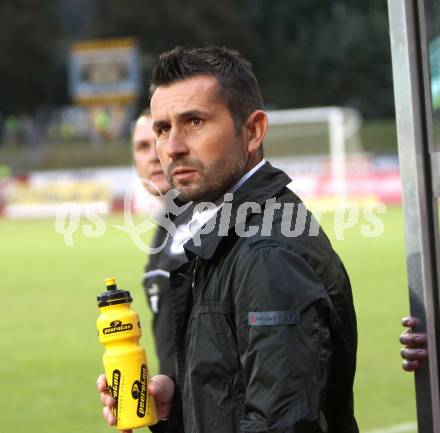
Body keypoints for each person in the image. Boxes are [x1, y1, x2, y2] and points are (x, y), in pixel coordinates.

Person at [98, 46, 358, 433]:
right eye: (163, 128)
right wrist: (180, 406)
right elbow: (243, 392)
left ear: (252, 131)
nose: (172, 148)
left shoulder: (268, 252)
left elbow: (281, 424)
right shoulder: (230, 231)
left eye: (195, 122)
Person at [132, 110, 191, 377]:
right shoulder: (168, 221)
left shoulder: (212, 217)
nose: (153, 155)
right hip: (183, 413)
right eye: (142, 146)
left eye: (161, 137)